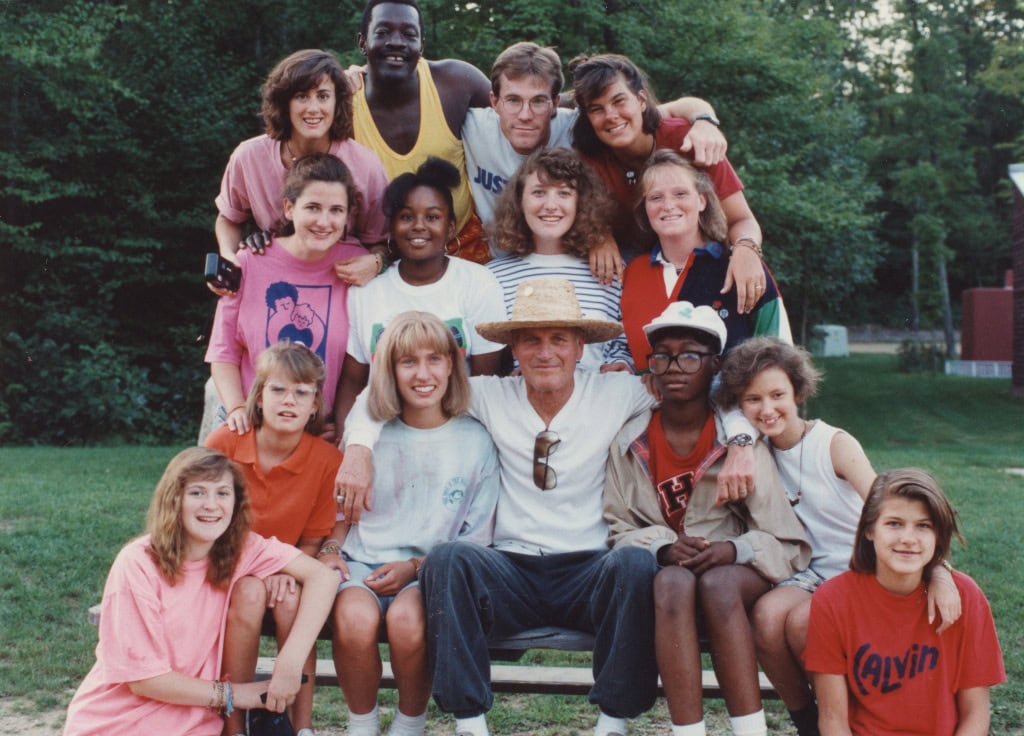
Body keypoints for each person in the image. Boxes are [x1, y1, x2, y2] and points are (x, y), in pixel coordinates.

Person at [336, 278, 757, 736]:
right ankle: (470, 721)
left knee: (636, 563)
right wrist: (357, 452)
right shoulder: (489, 395)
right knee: (448, 559)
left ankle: (612, 719)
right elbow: (378, 398)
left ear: (581, 348)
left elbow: (709, 394)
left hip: (589, 568)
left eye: (559, 339)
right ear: (513, 348)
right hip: (510, 567)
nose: (545, 353)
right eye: (531, 340)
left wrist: (740, 442)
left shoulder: (617, 393)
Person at [715, 337, 963, 736]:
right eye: (752, 399)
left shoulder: (833, 444)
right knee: (765, 616)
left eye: (778, 395)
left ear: (798, 390)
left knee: (800, 623)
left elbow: (893, 509)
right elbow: (721, 406)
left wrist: (940, 572)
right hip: (810, 572)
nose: (767, 409)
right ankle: (809, 722)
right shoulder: (754, 450)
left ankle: (854, 717)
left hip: (861, 568)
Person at [604, 302, 810, 736]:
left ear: (714, 364)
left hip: (734, 575)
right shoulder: (628, 440)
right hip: (669, 583)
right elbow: (618, 527)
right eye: (662, 355)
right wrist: (661, 546)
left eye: (690, 355)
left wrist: (732, 549)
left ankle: (750, 729)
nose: (674, 367)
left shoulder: (741, 445)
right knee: (672, 579)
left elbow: (787, 541)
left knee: (716, 583)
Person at [63, 447, 338, 736]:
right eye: (197, 493)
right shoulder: (138, 563)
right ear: (174, 500)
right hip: (116, 723)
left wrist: (290, 662)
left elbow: (323, 578)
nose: (211, 505)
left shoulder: (241, 549)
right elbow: (144, 680)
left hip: (193, 726)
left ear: (236, 502)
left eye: (222, 493)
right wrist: (233, 694)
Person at [318, 311, 499, 736]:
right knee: (355, 618)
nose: (423, 374)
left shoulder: (476, 440)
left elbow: (477, 537)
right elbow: (343, 512)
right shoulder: (370, 437)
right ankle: (361, 723)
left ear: (452, 365)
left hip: (430, 569)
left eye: (434, 360)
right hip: (364, 561)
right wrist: (330, 551)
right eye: (407, 362)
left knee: (407, 621)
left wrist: (416, 568)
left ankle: (409, 723)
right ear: (389, 370)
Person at [463, 41, 728, 269]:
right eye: (513, 100)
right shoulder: (470, 125)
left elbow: (645, 115)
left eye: (538, 101)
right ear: (494, 101)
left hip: (574, 263)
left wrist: (703, 118)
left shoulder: (578, 127)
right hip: (501, 263)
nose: (525, 114)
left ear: (555, 103)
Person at [803, 469, 1005, 735]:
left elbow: (976, 715)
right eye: (894, 523)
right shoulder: (833, 599)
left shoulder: (965, 596)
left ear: (938, 536)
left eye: (923, 526)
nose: (908, 539)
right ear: (869, 530)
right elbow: (832, 720)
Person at [205, 342, 341, 736]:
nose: (289, 401)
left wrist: (283, 571)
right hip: (227, 565)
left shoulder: (325, 460)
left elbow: (314, 540)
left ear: (316, 405)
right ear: (258, 398)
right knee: (249, 593)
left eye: (302, 393)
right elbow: (207, 525)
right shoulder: (225, 445)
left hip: (289, 567)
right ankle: (234, 726)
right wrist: (265, 572)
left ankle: (300, 726)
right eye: (278, 390)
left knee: (291, 600)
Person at [570, 53, 764, 312]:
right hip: (634, 265)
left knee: (746, 272)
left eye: (619, 101)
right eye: (597, 109)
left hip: (700, 256)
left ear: (641, 100)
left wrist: (746, 248)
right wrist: (598, 235)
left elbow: (742, 219)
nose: (611, 115)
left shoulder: (686, 139)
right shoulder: (590, 158)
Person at [333, 157, 505, 430]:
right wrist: (345, 447)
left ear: (450, 227)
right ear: (392, 226)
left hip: (459, 432)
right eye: (406, 217)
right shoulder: (366, 292)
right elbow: (354, 382)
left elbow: (487, 382)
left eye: (433, 217)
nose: (418, 226)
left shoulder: (478, 283)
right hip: (381, 435)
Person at [206, 153, 365, 441]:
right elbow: (223, 351)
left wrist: (343, 422)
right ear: (289, 208)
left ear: (347, 215)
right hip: (248, 423)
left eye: (336, 210)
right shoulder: (250, 261)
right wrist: (236, 409)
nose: (324, 221)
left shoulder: (357, 266)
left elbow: (364, 361)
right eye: (313, 208)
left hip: (320, 431)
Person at [215, 48, 388, 287]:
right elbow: (230, 217)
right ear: (284, 102)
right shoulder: (249, 157)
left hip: (338, 285)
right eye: (301, 96)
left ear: (337, 101)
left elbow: (382, 241)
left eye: (323, 96)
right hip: (270, 282)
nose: (313, 108)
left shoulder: (365, 165)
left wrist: (376, 263)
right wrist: (229, 256)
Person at [621, 150, 791, 373]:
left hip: (731, 405)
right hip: (648, 407)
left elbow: (781, 353)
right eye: (656, 197)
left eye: (680, 194)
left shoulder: (739, 264)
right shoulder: (634, 273)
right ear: (645, 207)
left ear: (701, 201)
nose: (668, 205)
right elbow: (630, 349)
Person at [352, 0, 493, 263]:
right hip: (384, 257)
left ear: (422, 46)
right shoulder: (343, 103)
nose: (396, 42)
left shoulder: (454, 82)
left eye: (409, 34)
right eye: (383, 32)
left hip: (466, 245)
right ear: (362, 43)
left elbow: (521, 107)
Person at [487, 147, 632, 372]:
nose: (551, 205)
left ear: (580, 203)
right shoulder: (493, 277)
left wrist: (622, 364)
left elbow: (624, 338)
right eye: (539, 192)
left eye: (564, 193)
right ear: (519, 201)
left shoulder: (607, 267)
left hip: (594, 395)